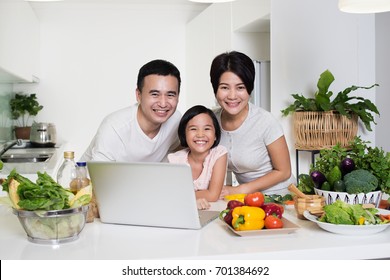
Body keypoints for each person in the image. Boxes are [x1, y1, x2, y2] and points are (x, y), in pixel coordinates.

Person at [209, 51, 295, 197]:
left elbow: (284, 171)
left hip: (280, 197)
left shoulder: (265, 122)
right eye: (224, 87)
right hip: (246, 197)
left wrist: (240, 190)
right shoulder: (211, 121)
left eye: (240, 87)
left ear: (249, 89)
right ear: (215, 89)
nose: (232, 96)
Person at [81, 59, 182, 162]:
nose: (163, 103)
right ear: (138, 95)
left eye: (170, 95)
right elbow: (98, 176)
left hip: (143, 178)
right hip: (86, 177)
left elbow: (182, 152)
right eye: (155, 94)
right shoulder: (114, 128)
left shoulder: (175, 121)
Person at [168, 105, 228, 209]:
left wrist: (183, 197)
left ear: (215, 135)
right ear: (184, 134)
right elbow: (171, 195)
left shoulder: (219, 154)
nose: (200, 134)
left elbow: (213, 195)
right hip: (184, 211)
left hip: (212, 210)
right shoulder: (175, 160)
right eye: (193, 129)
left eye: (207, 129)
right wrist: (194, 198)